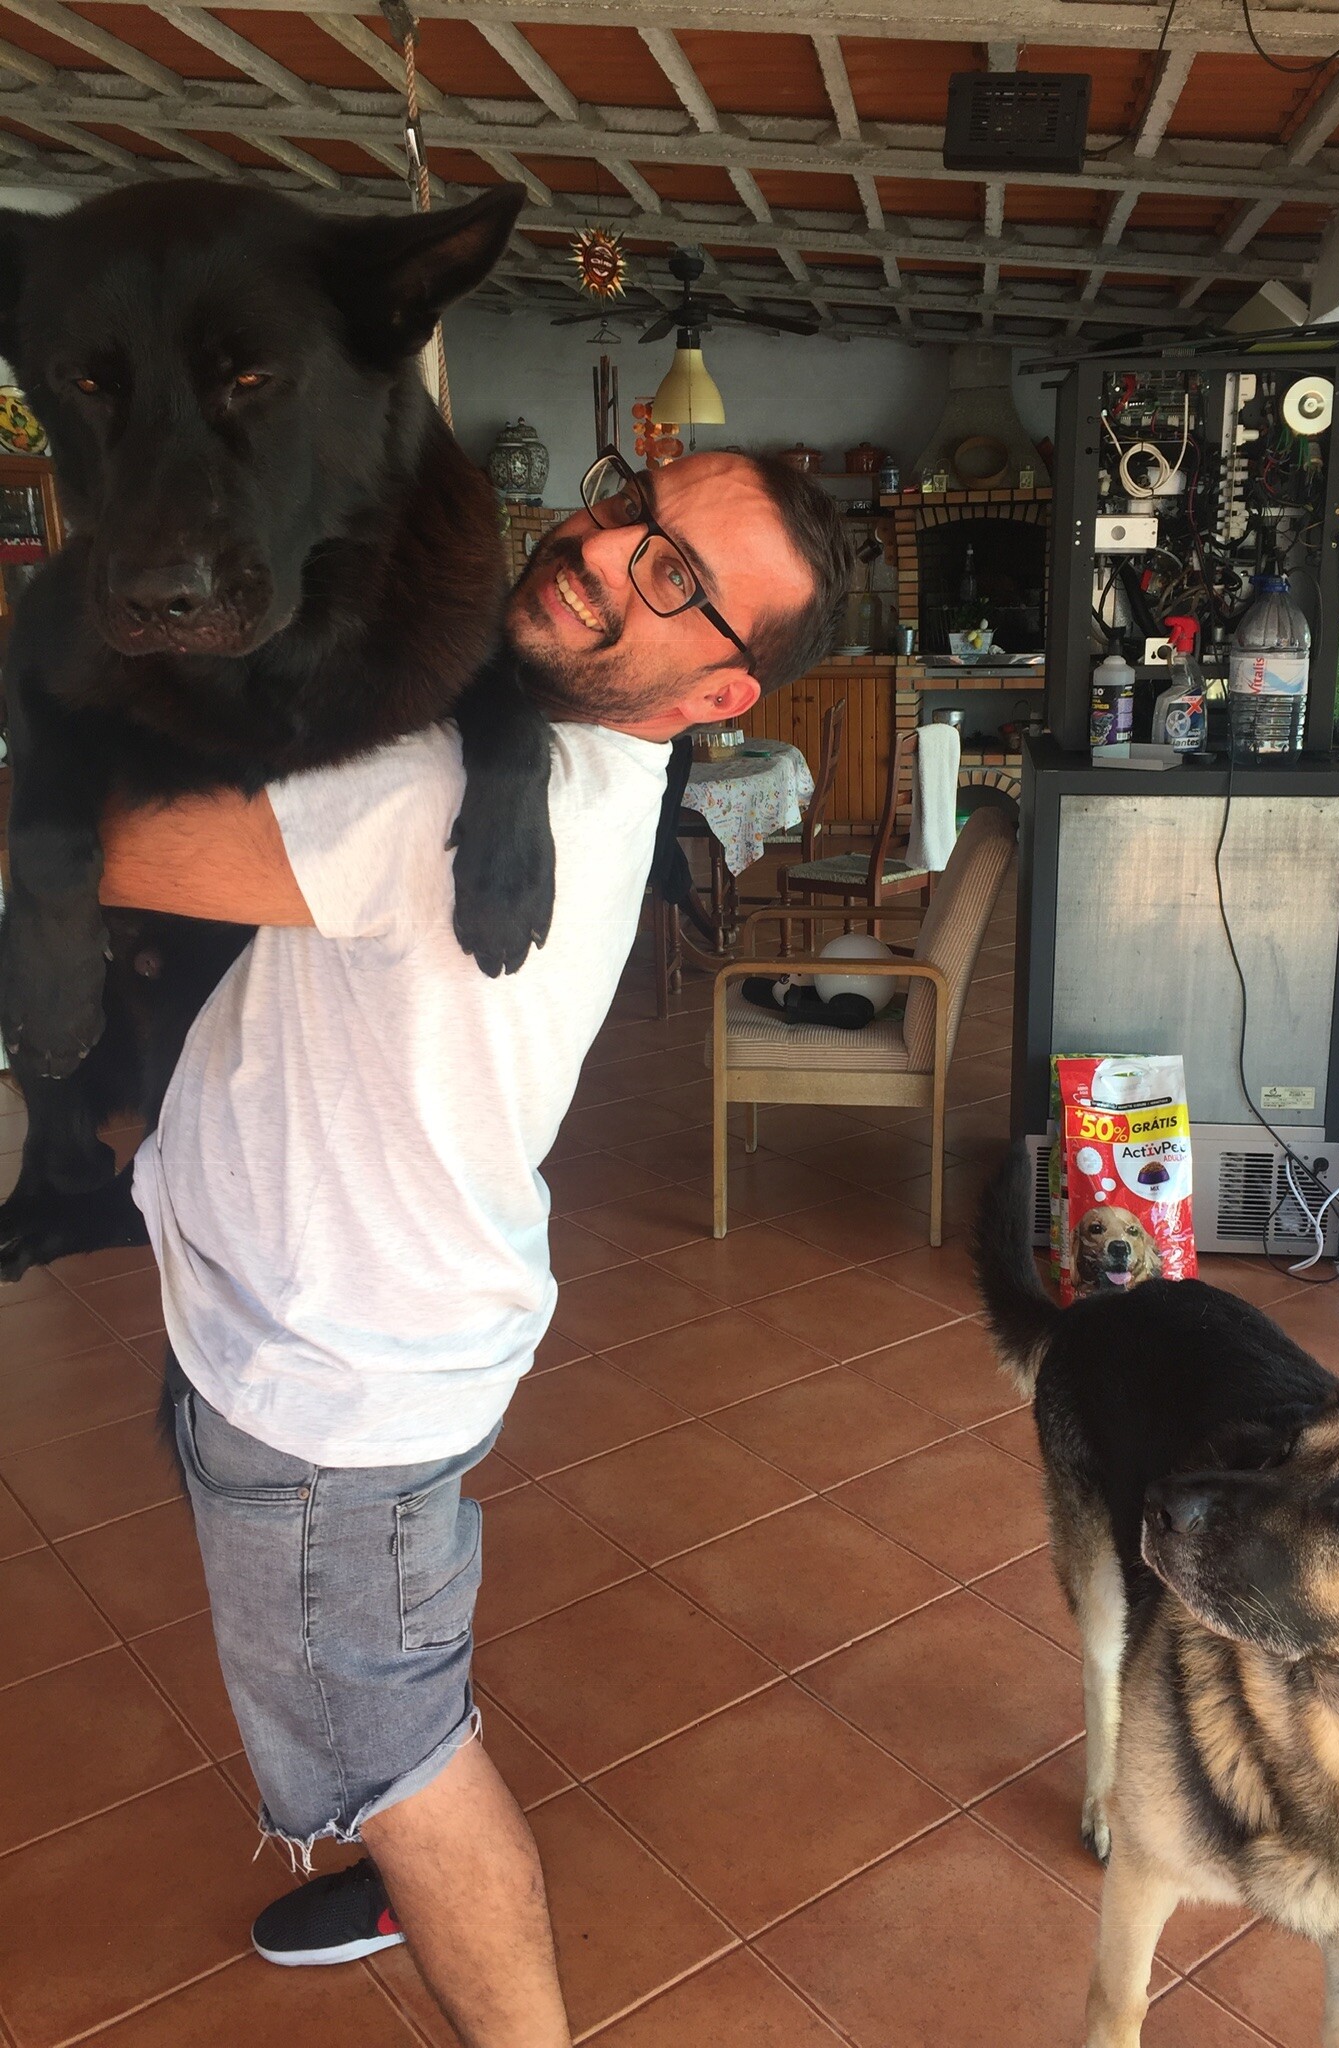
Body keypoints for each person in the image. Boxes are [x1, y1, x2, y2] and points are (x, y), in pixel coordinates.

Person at [97, 446, 854, 2048]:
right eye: (632, 504)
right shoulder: (564, 757)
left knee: (406, 1756)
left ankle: (432, 1881)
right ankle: (397, 1866)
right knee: (392, 1666)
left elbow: (112, 843)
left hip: (329, 1389)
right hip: (366, 1320)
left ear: (718, 695)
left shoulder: (436, 786)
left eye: (674, 575)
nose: (605, 549)